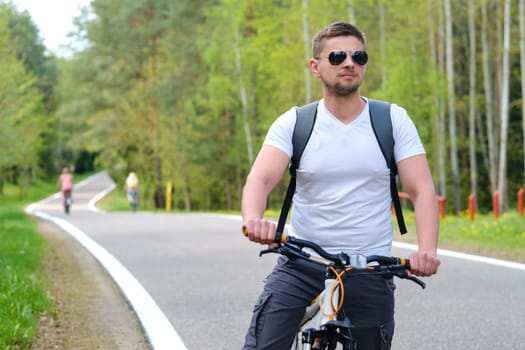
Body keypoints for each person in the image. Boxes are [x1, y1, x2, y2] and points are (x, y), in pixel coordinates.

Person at [241, 22, 441, 350]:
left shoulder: (392, 120)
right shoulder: (296, 122)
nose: (349, 63)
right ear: (315, 67)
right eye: (337, 56)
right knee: (263, 344)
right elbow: (260, 179)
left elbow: (421, 190)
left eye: (358, 56)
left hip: (370, 268)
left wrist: (427, 251)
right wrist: (253, 219)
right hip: (302, 262)